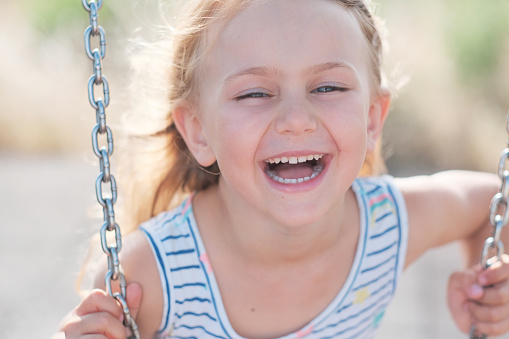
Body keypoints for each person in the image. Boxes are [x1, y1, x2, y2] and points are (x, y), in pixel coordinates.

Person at [59, 0, 509, 338]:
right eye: (254, 93)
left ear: (372, 119)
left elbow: (495, 201)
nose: (296, 119)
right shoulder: (150, 276)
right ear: (198, 131)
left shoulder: (386, 227)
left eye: (328, 86)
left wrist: (488, 287)